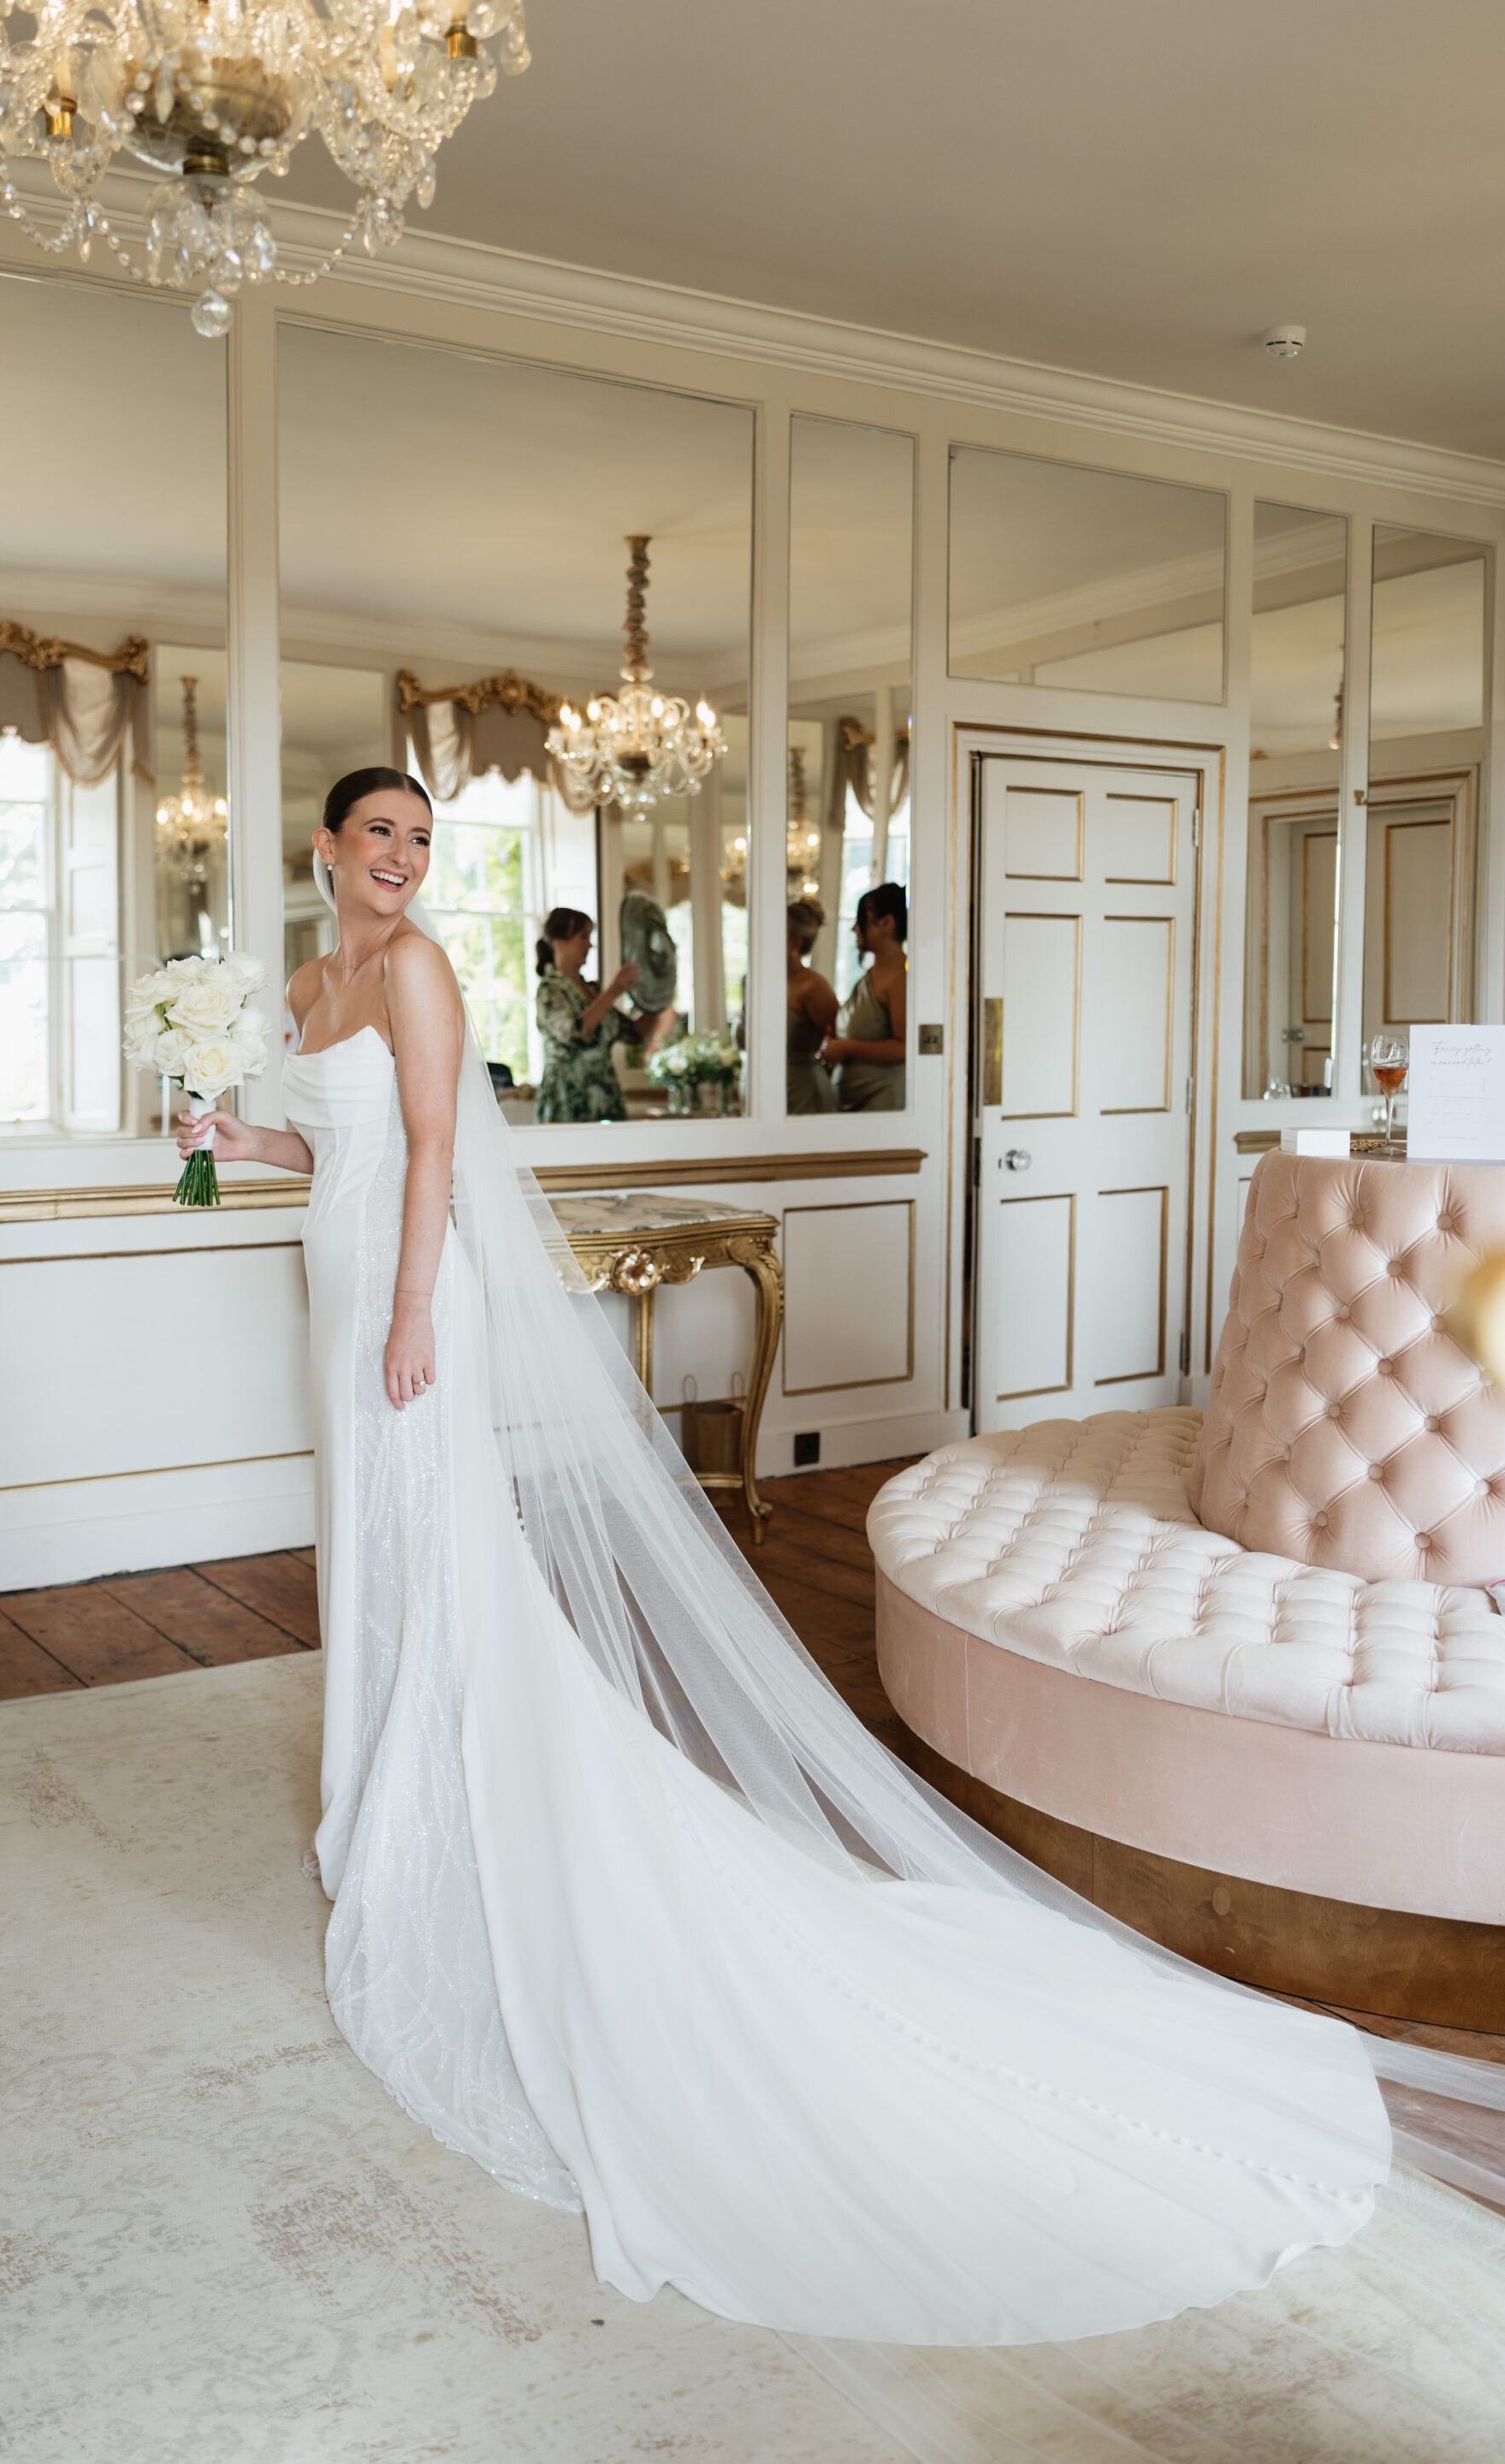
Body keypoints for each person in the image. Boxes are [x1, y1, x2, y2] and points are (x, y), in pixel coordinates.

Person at [176, 767, 1505, 2461]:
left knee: (439, 1557)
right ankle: (385, 1785)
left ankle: (449, 1801)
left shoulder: (425, 972)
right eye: (381, 836)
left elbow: (439, 1145)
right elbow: (329, 1141)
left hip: (403, 1311)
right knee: (363, 1553)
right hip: (338, 1284)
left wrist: (416, 1316)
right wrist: (232, 1128)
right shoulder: (309, 984)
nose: (403, 860)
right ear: (325, 853)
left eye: (423, 840)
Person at [532, 905, 649, 1123]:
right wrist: (614, 990)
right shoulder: (550, 990)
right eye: (583, 937)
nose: (590, 944)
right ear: (559, 943)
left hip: (605, 1099)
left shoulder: (593, 992)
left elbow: (633, 1034)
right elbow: (576, 1033)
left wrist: (656, 999)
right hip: (567, 1101)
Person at [822, 881, 907, 1110]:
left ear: (886, 923)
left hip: (882, 1103)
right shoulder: (871, 975)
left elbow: (904, 1047)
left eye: (861, 920)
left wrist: (846, 1047)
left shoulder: (901, 978)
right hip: (855, 1103)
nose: (854, 928)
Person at [785, 895, 838, 1114]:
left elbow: (839, 1038)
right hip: (760, 1093)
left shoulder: (813, 987)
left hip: (804, 1095)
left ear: (796, 942)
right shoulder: (755, 983)